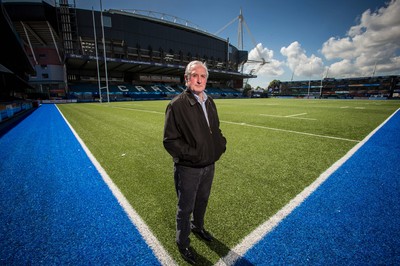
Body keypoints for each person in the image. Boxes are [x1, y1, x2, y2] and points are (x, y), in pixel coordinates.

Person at [163, 60, 227, 264]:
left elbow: (215, 129)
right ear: (187, 78)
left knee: (202, 201)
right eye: (195, 75)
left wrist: (220, 145)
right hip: (188, 168)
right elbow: (170, 141)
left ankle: (198, 227)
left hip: (209, 165)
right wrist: (194, 154)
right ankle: (183, 243)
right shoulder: (176, 105)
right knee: (185, 208)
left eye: (203, 76)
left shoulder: (209, 101)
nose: (199, 79)